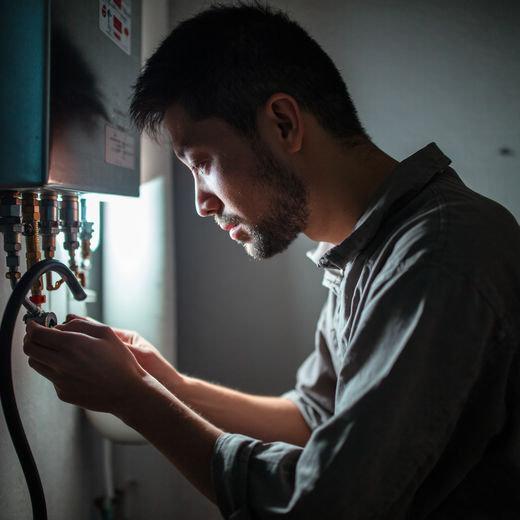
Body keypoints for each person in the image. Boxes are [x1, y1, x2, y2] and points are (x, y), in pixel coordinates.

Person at [24, 3, 520, 518]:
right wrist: (163, 383)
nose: (201, 202)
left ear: (283, 123)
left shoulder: (435, 258)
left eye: (202, 163)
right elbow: (315, 419)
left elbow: (325, 505)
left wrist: (136, 401)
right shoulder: (369, 249)